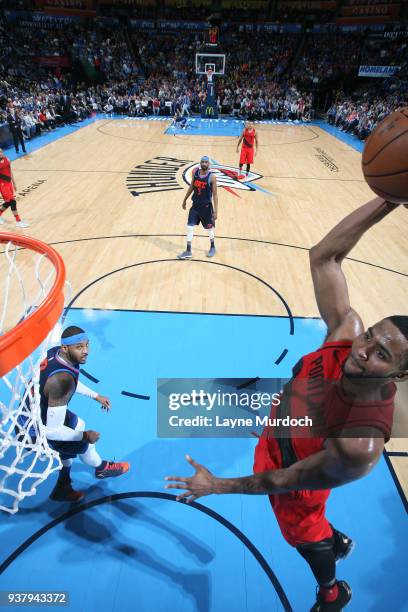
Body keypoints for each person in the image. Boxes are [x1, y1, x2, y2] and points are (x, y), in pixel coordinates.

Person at [166, 197, 408, 611]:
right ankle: (337, 539)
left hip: (293, 479)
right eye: (371, 336)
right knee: (312, 527)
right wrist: (390, 198)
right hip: (276, 439)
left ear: (400, 375)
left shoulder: (359, 441)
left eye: (383, 355)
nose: (364, 350)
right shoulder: (345, 336)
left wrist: (218, 486)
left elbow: (283, 482)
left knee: (302, 535)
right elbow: (324, 257)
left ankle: (332, 592)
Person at [31, 325, 130, 502]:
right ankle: (102, 468)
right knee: (85, 444)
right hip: (35, 429)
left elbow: (72, 380)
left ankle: (63, 486)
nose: (85, 351)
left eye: (87, 345)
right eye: (79, 347)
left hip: (39, 410)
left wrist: (95, 395)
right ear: (65, 348)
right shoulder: (61, 381)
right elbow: (53, 431)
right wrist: (85, 436)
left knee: (79, 424)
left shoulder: (57, 354)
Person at [178, 155, 218, 259]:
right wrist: (185, 199)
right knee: (189, 227)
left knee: (209, 229)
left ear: (209, 164)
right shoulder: (195, 173)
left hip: (206, 208)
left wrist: (216, 211)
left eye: (206, 162)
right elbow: (191, 186)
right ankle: (188, 251)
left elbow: (215, 195)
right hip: (195, 206)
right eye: (202, 162)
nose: (204, 163)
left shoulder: (212, 177)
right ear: (200, 163)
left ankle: (213, 247)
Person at [0, 148, 29, 228]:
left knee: (8, 202)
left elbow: (10, 171)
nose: (1, 153)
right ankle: (18, 221)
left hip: (9, 184)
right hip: (2, 185)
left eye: (1, 151)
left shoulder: (7, 159)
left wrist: (14, 183)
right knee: (13, 202)